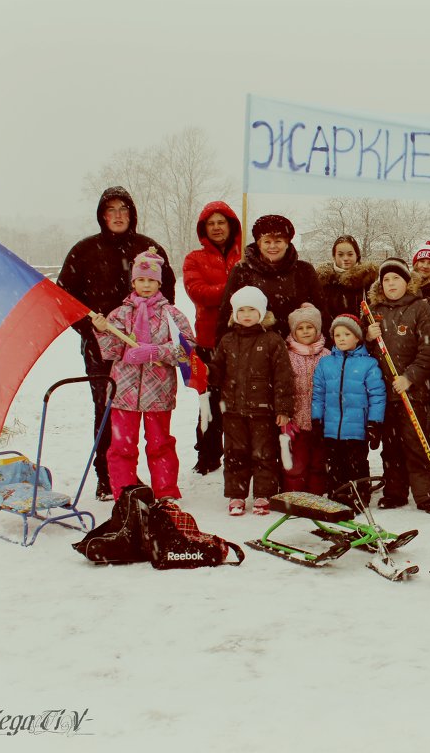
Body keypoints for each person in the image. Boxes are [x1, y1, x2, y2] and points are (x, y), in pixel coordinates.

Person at [58, 185, 176, 501]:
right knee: (108, 410)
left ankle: (159, 480)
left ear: (132, 214)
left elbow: (169, 294)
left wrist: (154, 334)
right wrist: (91, 330)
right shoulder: (83, 251)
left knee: (151, 414)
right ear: (102, 215)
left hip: (147, 353)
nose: (118, 216)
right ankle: (108, 476)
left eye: (123, 210)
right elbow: (65, 299)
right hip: (102, 350)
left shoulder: (148, 249)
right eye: (111, 210)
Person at [91, 249, 192, 502]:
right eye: (141, 280)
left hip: (158, 390)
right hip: (124, 391)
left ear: (159, 283)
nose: (146, 285)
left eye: (151, 280)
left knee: (160, 444)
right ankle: (124, 492)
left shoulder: (172, 315)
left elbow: (187, 350)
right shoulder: (120, 315)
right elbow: (111, 351)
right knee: (122, 446)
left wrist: (156, 351)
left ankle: (166, 492)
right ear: (133, 282)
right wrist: (103, 332)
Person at [365, 258, 430, 514]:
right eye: (386, 280)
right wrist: (368, 337)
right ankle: (395, 492)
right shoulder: (372, 310)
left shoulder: (420, 308)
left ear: (406, 282)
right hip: (385, 393)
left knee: (417, 443)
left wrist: (410, 377)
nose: (390, 284)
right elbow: (361, 352)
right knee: (391, 446)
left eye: (396, 278)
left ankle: (425, 495)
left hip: (414, 391)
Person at [211, 286, 294, 516]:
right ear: (235, 313)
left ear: (262, 313)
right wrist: (205, 371)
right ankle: (237, 494)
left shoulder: (272, 341)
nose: (246, 315)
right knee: (235, 452)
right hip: (233, 410)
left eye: (252, 310)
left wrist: (283, 408)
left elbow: (283, 378)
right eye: (242, 310)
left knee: (264, 452)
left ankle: (262, 493)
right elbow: (217, 371)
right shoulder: (228, 341)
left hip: (262, 411)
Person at [182, 200, 242, 476]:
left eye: (222, 222)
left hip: (243, 339)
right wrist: (234, 288)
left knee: (241, 401)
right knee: (209, 400)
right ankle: (207, 453)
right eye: (212, 223)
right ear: (204, 228)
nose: (218, 227)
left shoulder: (245, 256)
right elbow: (199, 293)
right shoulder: (194, 258)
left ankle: (240, 454)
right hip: (209, 341)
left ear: (231, 226)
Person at [217, 214, 325, 342]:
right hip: (254, 348)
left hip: (298, 348)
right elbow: (225, 315)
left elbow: (321, 312)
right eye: (267, 241)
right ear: (259, 244)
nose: (272, 246)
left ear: (287, 243)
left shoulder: (304, 270)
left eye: (278, 241)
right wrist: (222, 348)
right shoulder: (242, 271)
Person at [311, 315, 386, 489]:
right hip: (331, 429)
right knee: (335, 464)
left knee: (356, 463)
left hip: (357, 430)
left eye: (347, 334)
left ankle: (359, 494)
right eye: (338, 335)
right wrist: (317, 420)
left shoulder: (369, 364)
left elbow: (377, 396)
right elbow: (318, 394)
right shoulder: (325, 363)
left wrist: (375, 423)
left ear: (358, 337)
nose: (342, 339)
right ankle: (337, 493)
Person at [282, 304, 330, 494]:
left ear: (317, 329)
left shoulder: (327, 355)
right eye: (300, 328)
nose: (305, 332)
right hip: (296, 420)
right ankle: (296, 496)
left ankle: (316, 495)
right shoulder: (287, 355)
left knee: (318, 461)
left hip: (320, 421)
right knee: (296, 463)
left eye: (309, 327)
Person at [316, 235, 378, 320]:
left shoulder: (368, 280)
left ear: (357, 255)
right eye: (340, 255)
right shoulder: (323, 282)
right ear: (334, 256)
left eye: (350, 254)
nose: (345, 258)